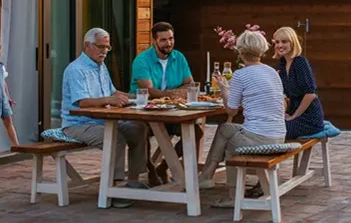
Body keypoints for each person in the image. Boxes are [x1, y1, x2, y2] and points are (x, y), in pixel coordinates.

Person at [61, 28, 148, 208]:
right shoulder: (76, 69)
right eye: (101, 47)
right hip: (77, 124)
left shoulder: (101, 66)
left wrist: (138, 97)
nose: (105, 52)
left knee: (138, 128)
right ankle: (113, 189)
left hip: (101, 121)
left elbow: (112, 92)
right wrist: (109, 100)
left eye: (108, 48)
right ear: (87, 45)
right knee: (115, 138)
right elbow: (83, 102)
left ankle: (133, 180)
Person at [199, 29, 286, 208]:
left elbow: (231, 111)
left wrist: (224, 89)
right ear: (262, 50)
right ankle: (206, 176)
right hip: (279, 135)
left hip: (260, 138)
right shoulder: (271, 72)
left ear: (240, 52)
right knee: (225, 129)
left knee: (231, 144)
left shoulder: (240, 75)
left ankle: (231, 195)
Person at [130, 22, 204, 178]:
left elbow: (190, 84)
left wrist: (170, 94)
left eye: (171, 38)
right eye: (163, 40)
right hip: (144, 111)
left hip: (171, 111)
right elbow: (149, 91)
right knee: (141, 131)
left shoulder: (179, 57)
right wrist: (174, 94)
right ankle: (150, 170)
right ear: (154, 41)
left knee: (195, 131)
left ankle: (164, 167)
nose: (168, 43)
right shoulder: (142, 60)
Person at [273, 27, 325, 139]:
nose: (280, 45)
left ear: (292, 42)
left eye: (284, 41)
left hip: (309, 118)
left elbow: (310, 94)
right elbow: (283, 94)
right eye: (277, 42)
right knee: (269, 127)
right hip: (293, 112)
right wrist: (283, 114)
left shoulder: (300, 62)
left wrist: (294, 116)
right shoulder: (282, 64)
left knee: (276, 132)